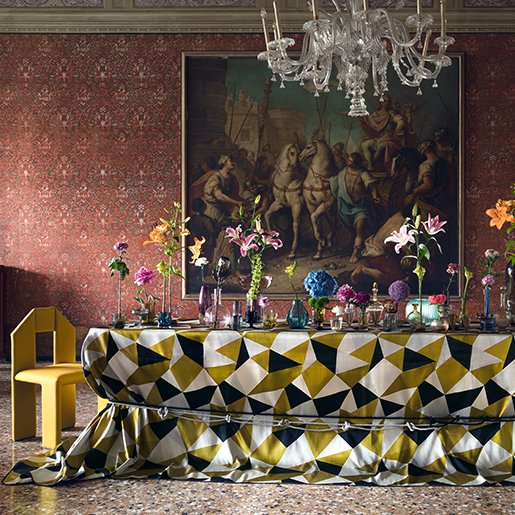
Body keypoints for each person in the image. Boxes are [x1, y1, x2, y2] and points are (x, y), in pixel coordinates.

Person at [330, 152, 380, 264]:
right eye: (348, 160)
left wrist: (375, 196)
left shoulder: (363, 173)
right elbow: (335, 182)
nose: (348, 162)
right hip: (345, 206)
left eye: (350, 161)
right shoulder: (343, 172)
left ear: (356, 163)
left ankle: (355, 253)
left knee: (359, 229)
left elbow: (371, 185)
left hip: (359, 207)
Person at [360, 95, 405, 173]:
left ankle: (373, 165)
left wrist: (395, 132)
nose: (386, 103)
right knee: (364, 145)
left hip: (390, 139)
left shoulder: (391, 114)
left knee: (381, 146)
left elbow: (401, 122)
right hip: (379, 139)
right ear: (380, 102)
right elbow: (368, 121)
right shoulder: (375, 115)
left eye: (388, 101)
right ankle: (370, 165)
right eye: (384, 101)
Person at [404, 140, 449, 211]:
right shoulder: (445, 162)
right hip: (444, 198)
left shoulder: (426, 165)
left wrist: (414, 192)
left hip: (430, 201)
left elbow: (427, 186)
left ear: (423, 151)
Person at [203, 154, 243, 225]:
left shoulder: (231, 177)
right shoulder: (216, 177)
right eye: (231, 161)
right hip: (213, 209)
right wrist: (237, 203)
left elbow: (233, 194)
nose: (233, 163)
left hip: (224, 208)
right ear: (224, 162)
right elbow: (219, 196)